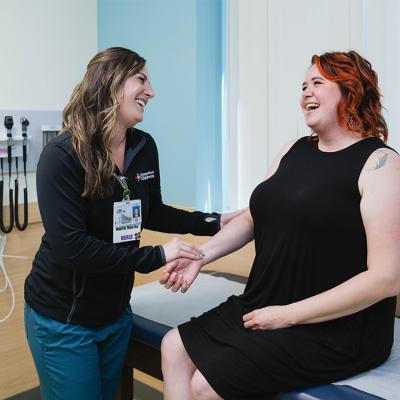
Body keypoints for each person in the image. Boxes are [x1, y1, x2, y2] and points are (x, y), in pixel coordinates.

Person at [160, 50, 400, 400]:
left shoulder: (380, 163)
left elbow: (386, 279)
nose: (305, 92)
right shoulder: (293, 150)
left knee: (204, 386)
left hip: (336, 327)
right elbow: (254, 217)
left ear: (351, 91)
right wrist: (200, 255)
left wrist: (288, 316)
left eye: (317, 83)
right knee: (173, 346)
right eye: (303, 85)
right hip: (266, 302)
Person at [24, 47, 242, 400]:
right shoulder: (63, 156)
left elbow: (153, 211)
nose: (151, 91)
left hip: (115, 313)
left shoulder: (142, 146)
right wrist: (157, 256)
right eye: (141, 79)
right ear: (109, 83)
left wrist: (214, 221)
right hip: (64, 320)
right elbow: (72, 248)